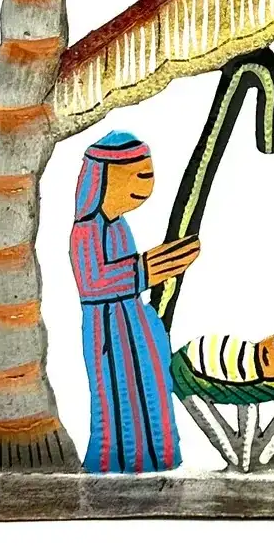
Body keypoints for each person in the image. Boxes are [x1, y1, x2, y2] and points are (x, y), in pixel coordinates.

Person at [69, 132, 200, 473]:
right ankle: (115, 462)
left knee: (150, 391)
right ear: (102, 179)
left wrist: (156, 269)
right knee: (118, 399)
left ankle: (156, 458)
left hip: (133, 324)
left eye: (148, 174)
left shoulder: (119, 226)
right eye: (137, 175)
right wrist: (147, 269)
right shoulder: (86, 230)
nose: (146, 183)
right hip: (108, 333)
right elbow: (92, 283)